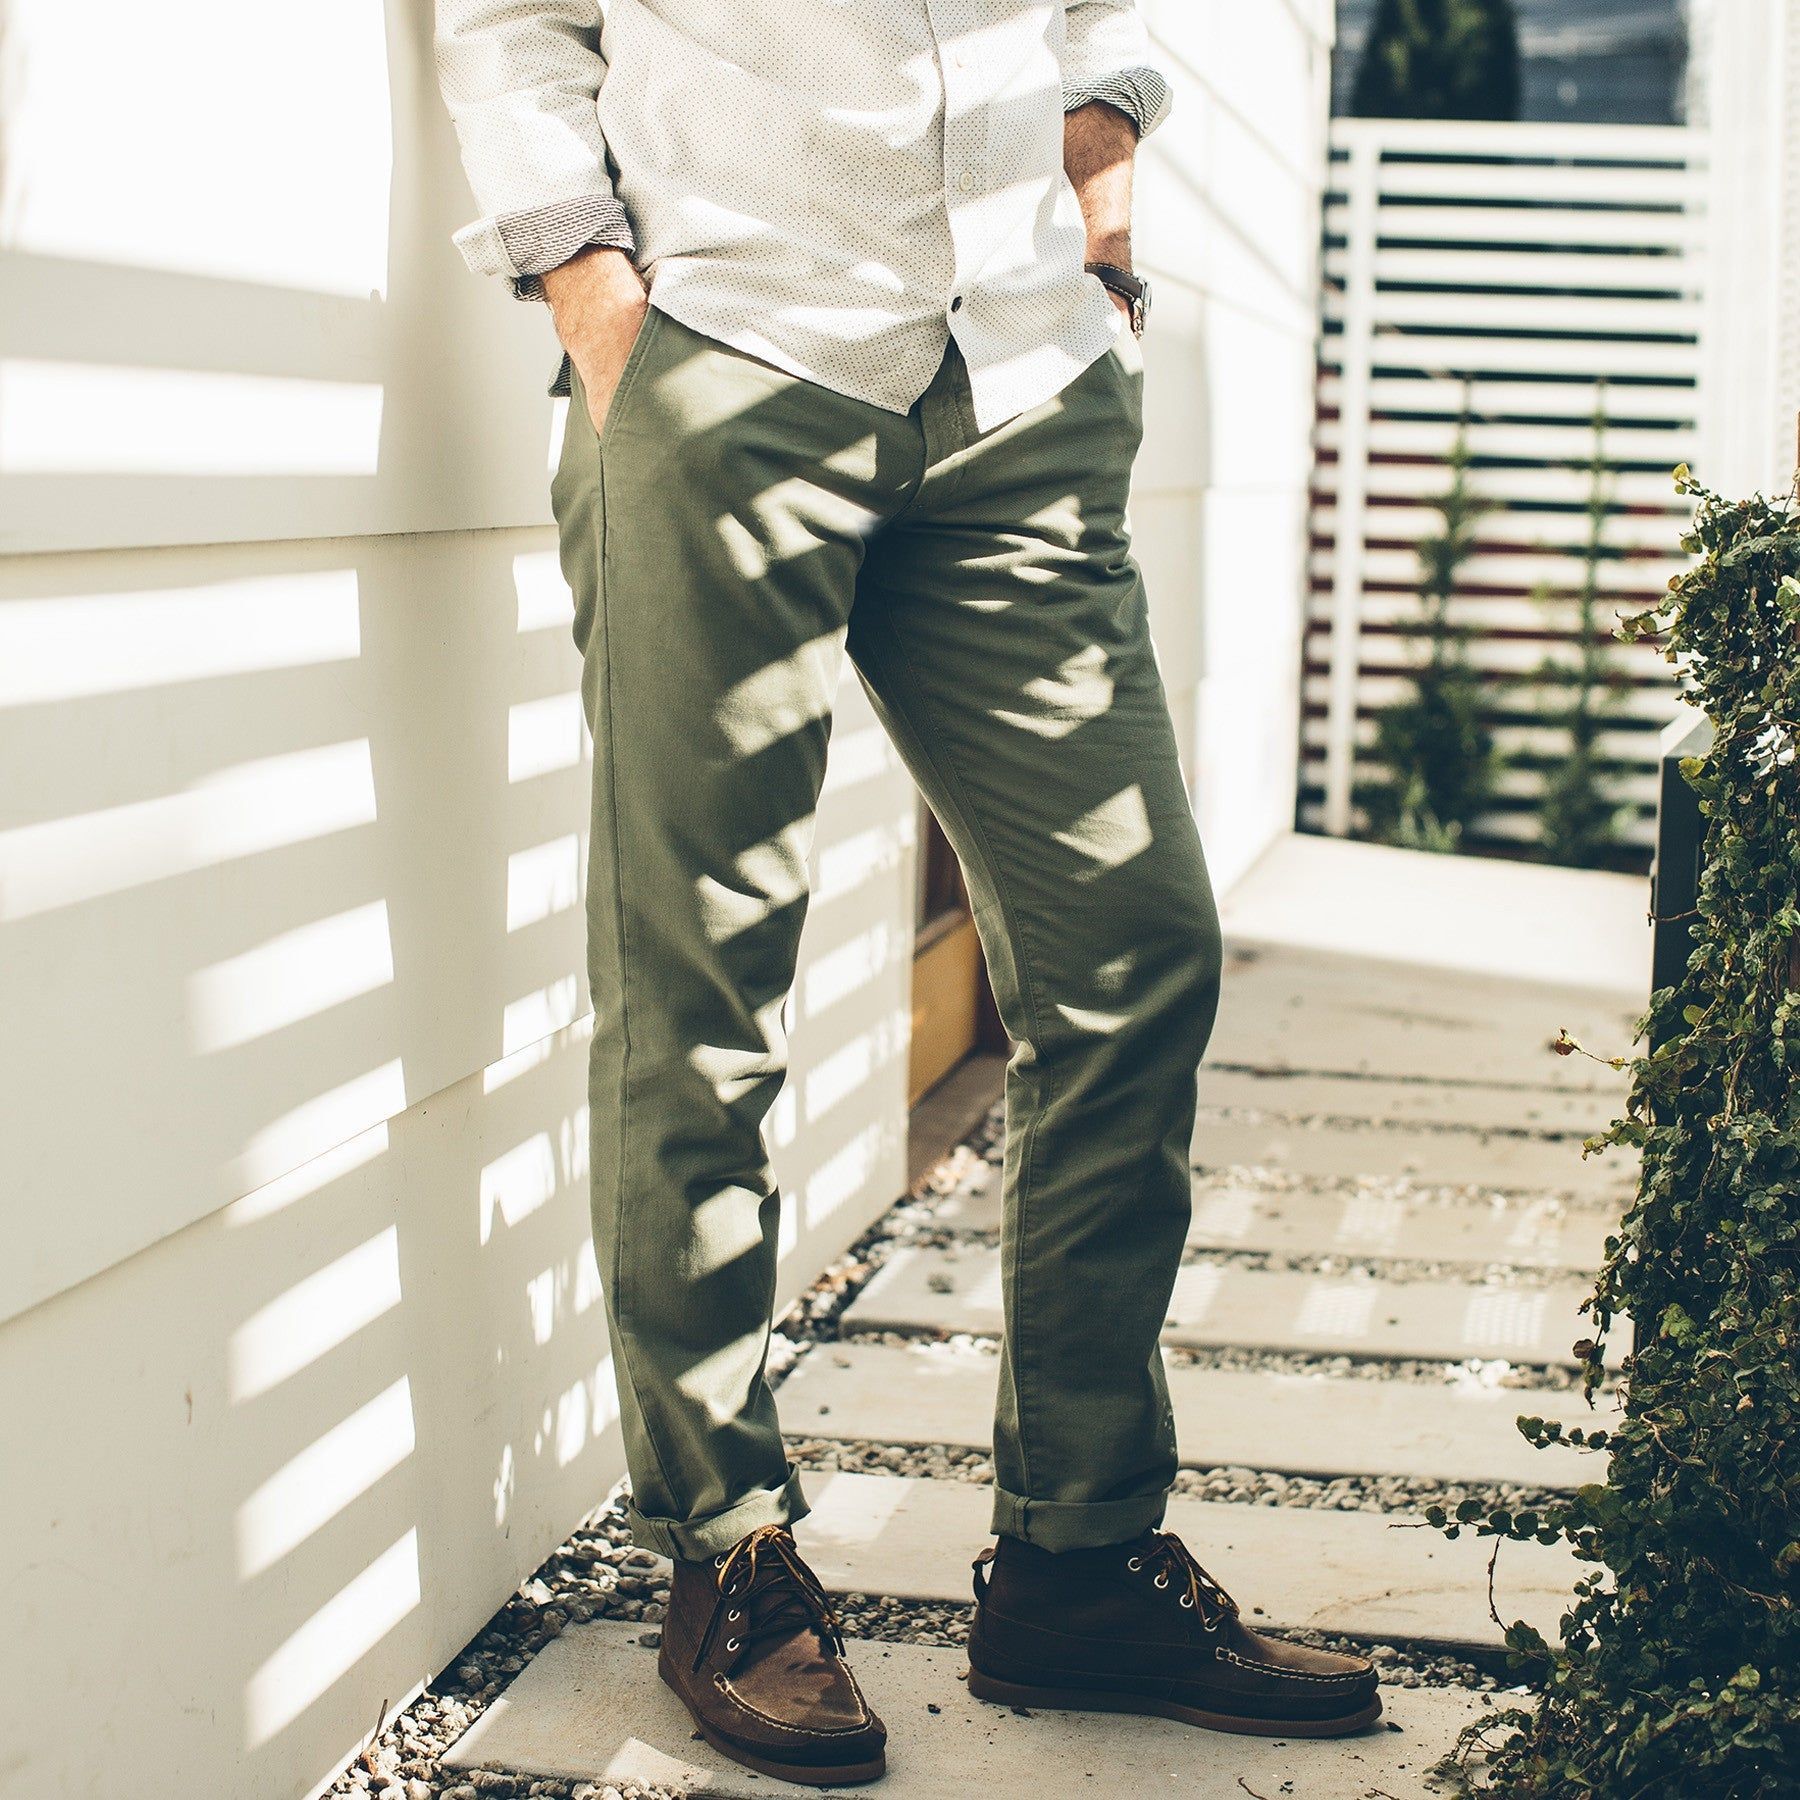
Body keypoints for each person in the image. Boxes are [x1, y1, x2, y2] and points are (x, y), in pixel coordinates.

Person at [434, 2, 1379, 1783]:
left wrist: (1102, 240)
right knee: (701, 987)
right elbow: (512, 25)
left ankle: (1080, 1559)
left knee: (1135, 954)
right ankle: (727, 1550)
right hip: (733, 353)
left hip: (1021, 377)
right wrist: (597, 295)